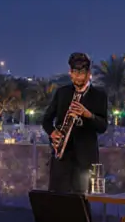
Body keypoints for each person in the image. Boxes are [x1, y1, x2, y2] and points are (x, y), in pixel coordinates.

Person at [41, 52, 108, 194]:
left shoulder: (99, 95)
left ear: (89, 73)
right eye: (74, 73)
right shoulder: (62, 93)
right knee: (57, 201)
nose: (78, 77)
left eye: (81, 73)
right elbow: (46, 120)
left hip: (85, 162)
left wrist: (88, 115)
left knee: (81, 204)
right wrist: (53, 133)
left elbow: (103, 126)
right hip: (62, 160)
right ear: (70, 73)